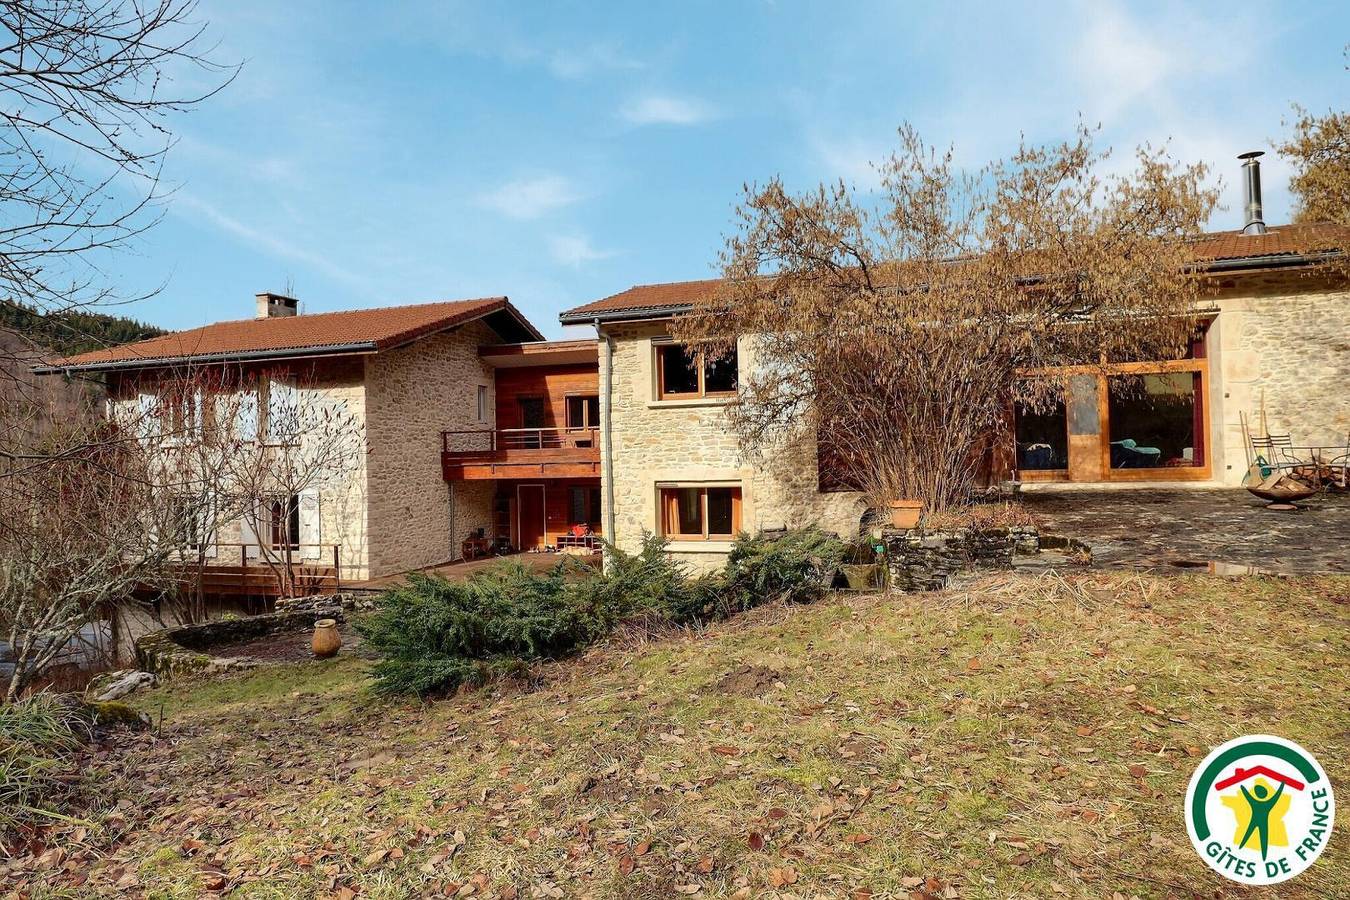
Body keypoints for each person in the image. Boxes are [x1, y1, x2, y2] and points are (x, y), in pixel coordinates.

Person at [1237, 780, 1286, 859]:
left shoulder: (1254, 802)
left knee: (1246, 836)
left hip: (1255, 821)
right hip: (1263, 823)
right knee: (1264, 840)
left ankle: (1240, 848)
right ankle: (1264, 856)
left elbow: (1246, 794)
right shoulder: (1269, 803)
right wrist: (1282, 785)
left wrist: (1242, 786)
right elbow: (1277, 795)